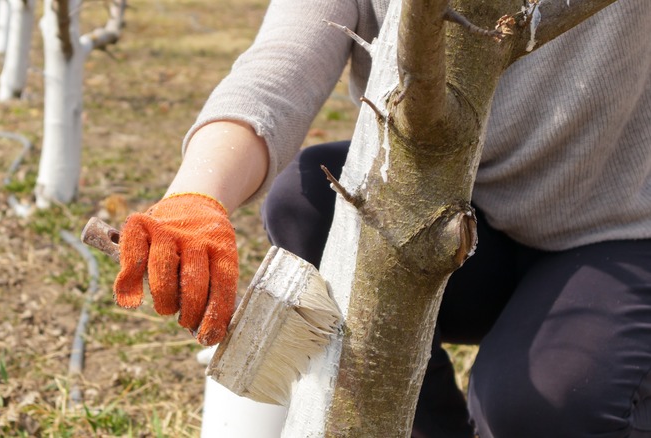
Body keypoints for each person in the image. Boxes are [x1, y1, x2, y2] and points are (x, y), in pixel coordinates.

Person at [113, 0, 651, 436]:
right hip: (459, 221)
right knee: (308, 198)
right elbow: (280, 64)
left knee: (541, 412)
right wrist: (194, 199)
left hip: (615, 231)